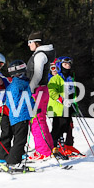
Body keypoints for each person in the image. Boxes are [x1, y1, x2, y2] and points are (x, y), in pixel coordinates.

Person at [0, 60, 35, 172]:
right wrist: (31, 106)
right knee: (20, 140)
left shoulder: (15, 83)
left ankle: (12, 161)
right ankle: (13, 162)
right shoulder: (18, 84)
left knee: (19, 140)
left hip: (18, 116)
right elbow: (19, 101)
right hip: (20, 116)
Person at [26, 31, 55, 160]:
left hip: (37, 90)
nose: (28, 45)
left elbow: (37, 75)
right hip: (41, 90)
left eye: (29, 42)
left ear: (35, 42)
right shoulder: (41, 54)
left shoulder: (40, 55)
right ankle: (47, 148)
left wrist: (30, 89)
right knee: (40, 119)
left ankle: (42, 151)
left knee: (37, 121)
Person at [47, 56, 83, 158]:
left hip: (68, 107)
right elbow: (51, 91)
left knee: (66, 126)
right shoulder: (56, 78)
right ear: (60, 65)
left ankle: (62, 148)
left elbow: (73, 92)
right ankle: (52, 148)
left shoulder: (70, 78)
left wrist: (74, 102)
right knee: (57, 128)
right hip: (57, 108)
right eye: (65, 64)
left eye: (69, 64)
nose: (68, 66)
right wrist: (61, 99)